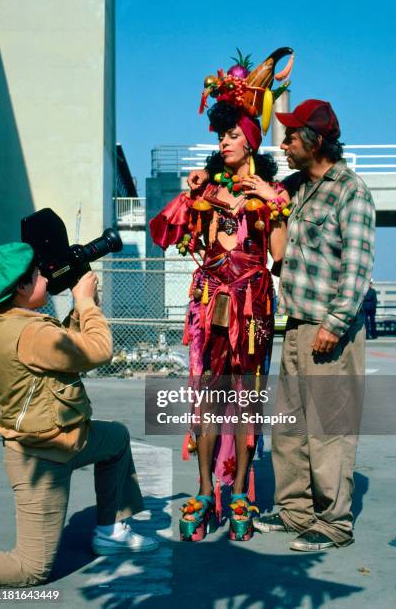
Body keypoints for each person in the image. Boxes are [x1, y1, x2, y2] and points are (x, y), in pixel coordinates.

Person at [150, 47, 294, 542]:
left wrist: (272, 206)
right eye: (222, 134)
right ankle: (207, 488)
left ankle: (238, 497)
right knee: (208, 400)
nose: (225, 141)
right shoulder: (206, 188)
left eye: (234, 134)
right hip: (211, 302)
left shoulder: (270, 195)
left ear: (251, 138)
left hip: (254, 306)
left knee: (248, 401)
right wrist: (199, 194)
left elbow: (279, 257)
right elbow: (172, 233)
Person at [0, 242, 158, 589]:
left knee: (116, 439)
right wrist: (84, 301)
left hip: (68, 439)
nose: (45, 277)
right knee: (30, 569)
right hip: (41, 459)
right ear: (19, 288)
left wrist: (83, 306)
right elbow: (97, 350)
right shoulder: (29, 332)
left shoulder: (8, 322)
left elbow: (63, 345)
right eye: (36, 274)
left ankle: (110, 531)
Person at [251, 99, 375, 551]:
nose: (282, 144)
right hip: (297, 325)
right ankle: (296, 511)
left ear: (315, 141)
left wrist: (335, 322)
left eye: (290, 136)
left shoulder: (351, 191)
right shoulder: (297, 188)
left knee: (328, 427)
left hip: (329, 330)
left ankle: (333, 523)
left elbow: (358, 265)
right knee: (289, 426)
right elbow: (256, 183)